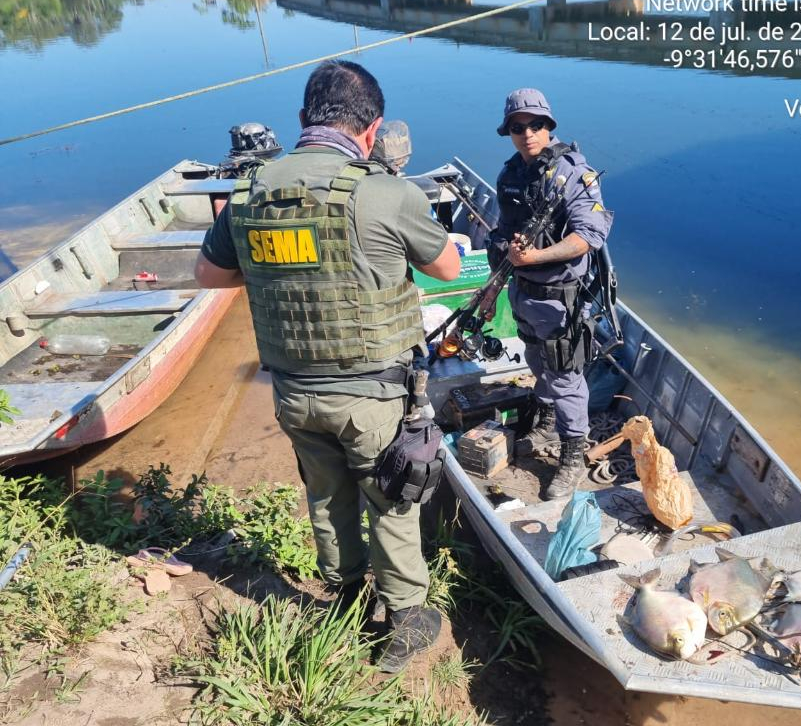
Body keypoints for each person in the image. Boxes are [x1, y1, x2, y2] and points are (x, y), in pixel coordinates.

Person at [193, 60, 461, 673]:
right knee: (391, 497)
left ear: (302, 121)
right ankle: (403, 617)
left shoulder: (251, 191)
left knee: (325, 493)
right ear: (372, 130)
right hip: (371, 394)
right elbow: (447, 269)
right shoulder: (387, 191)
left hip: (292, 393)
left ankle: (342, 595)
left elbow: (209, 276)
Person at [486, 88, 613, 501]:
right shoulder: (510, 176)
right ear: (509, 132)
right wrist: (503, 255)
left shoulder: (575, 173)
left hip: (561, 298)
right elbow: (503, 230)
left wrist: (537, 255)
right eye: (519, 127)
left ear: (549, 127)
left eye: (536, 125)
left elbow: (589, 235)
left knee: (565, 376)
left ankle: (573, 454)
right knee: (536, 360)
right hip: (523, 293)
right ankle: (543, 418)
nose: (528, 134)